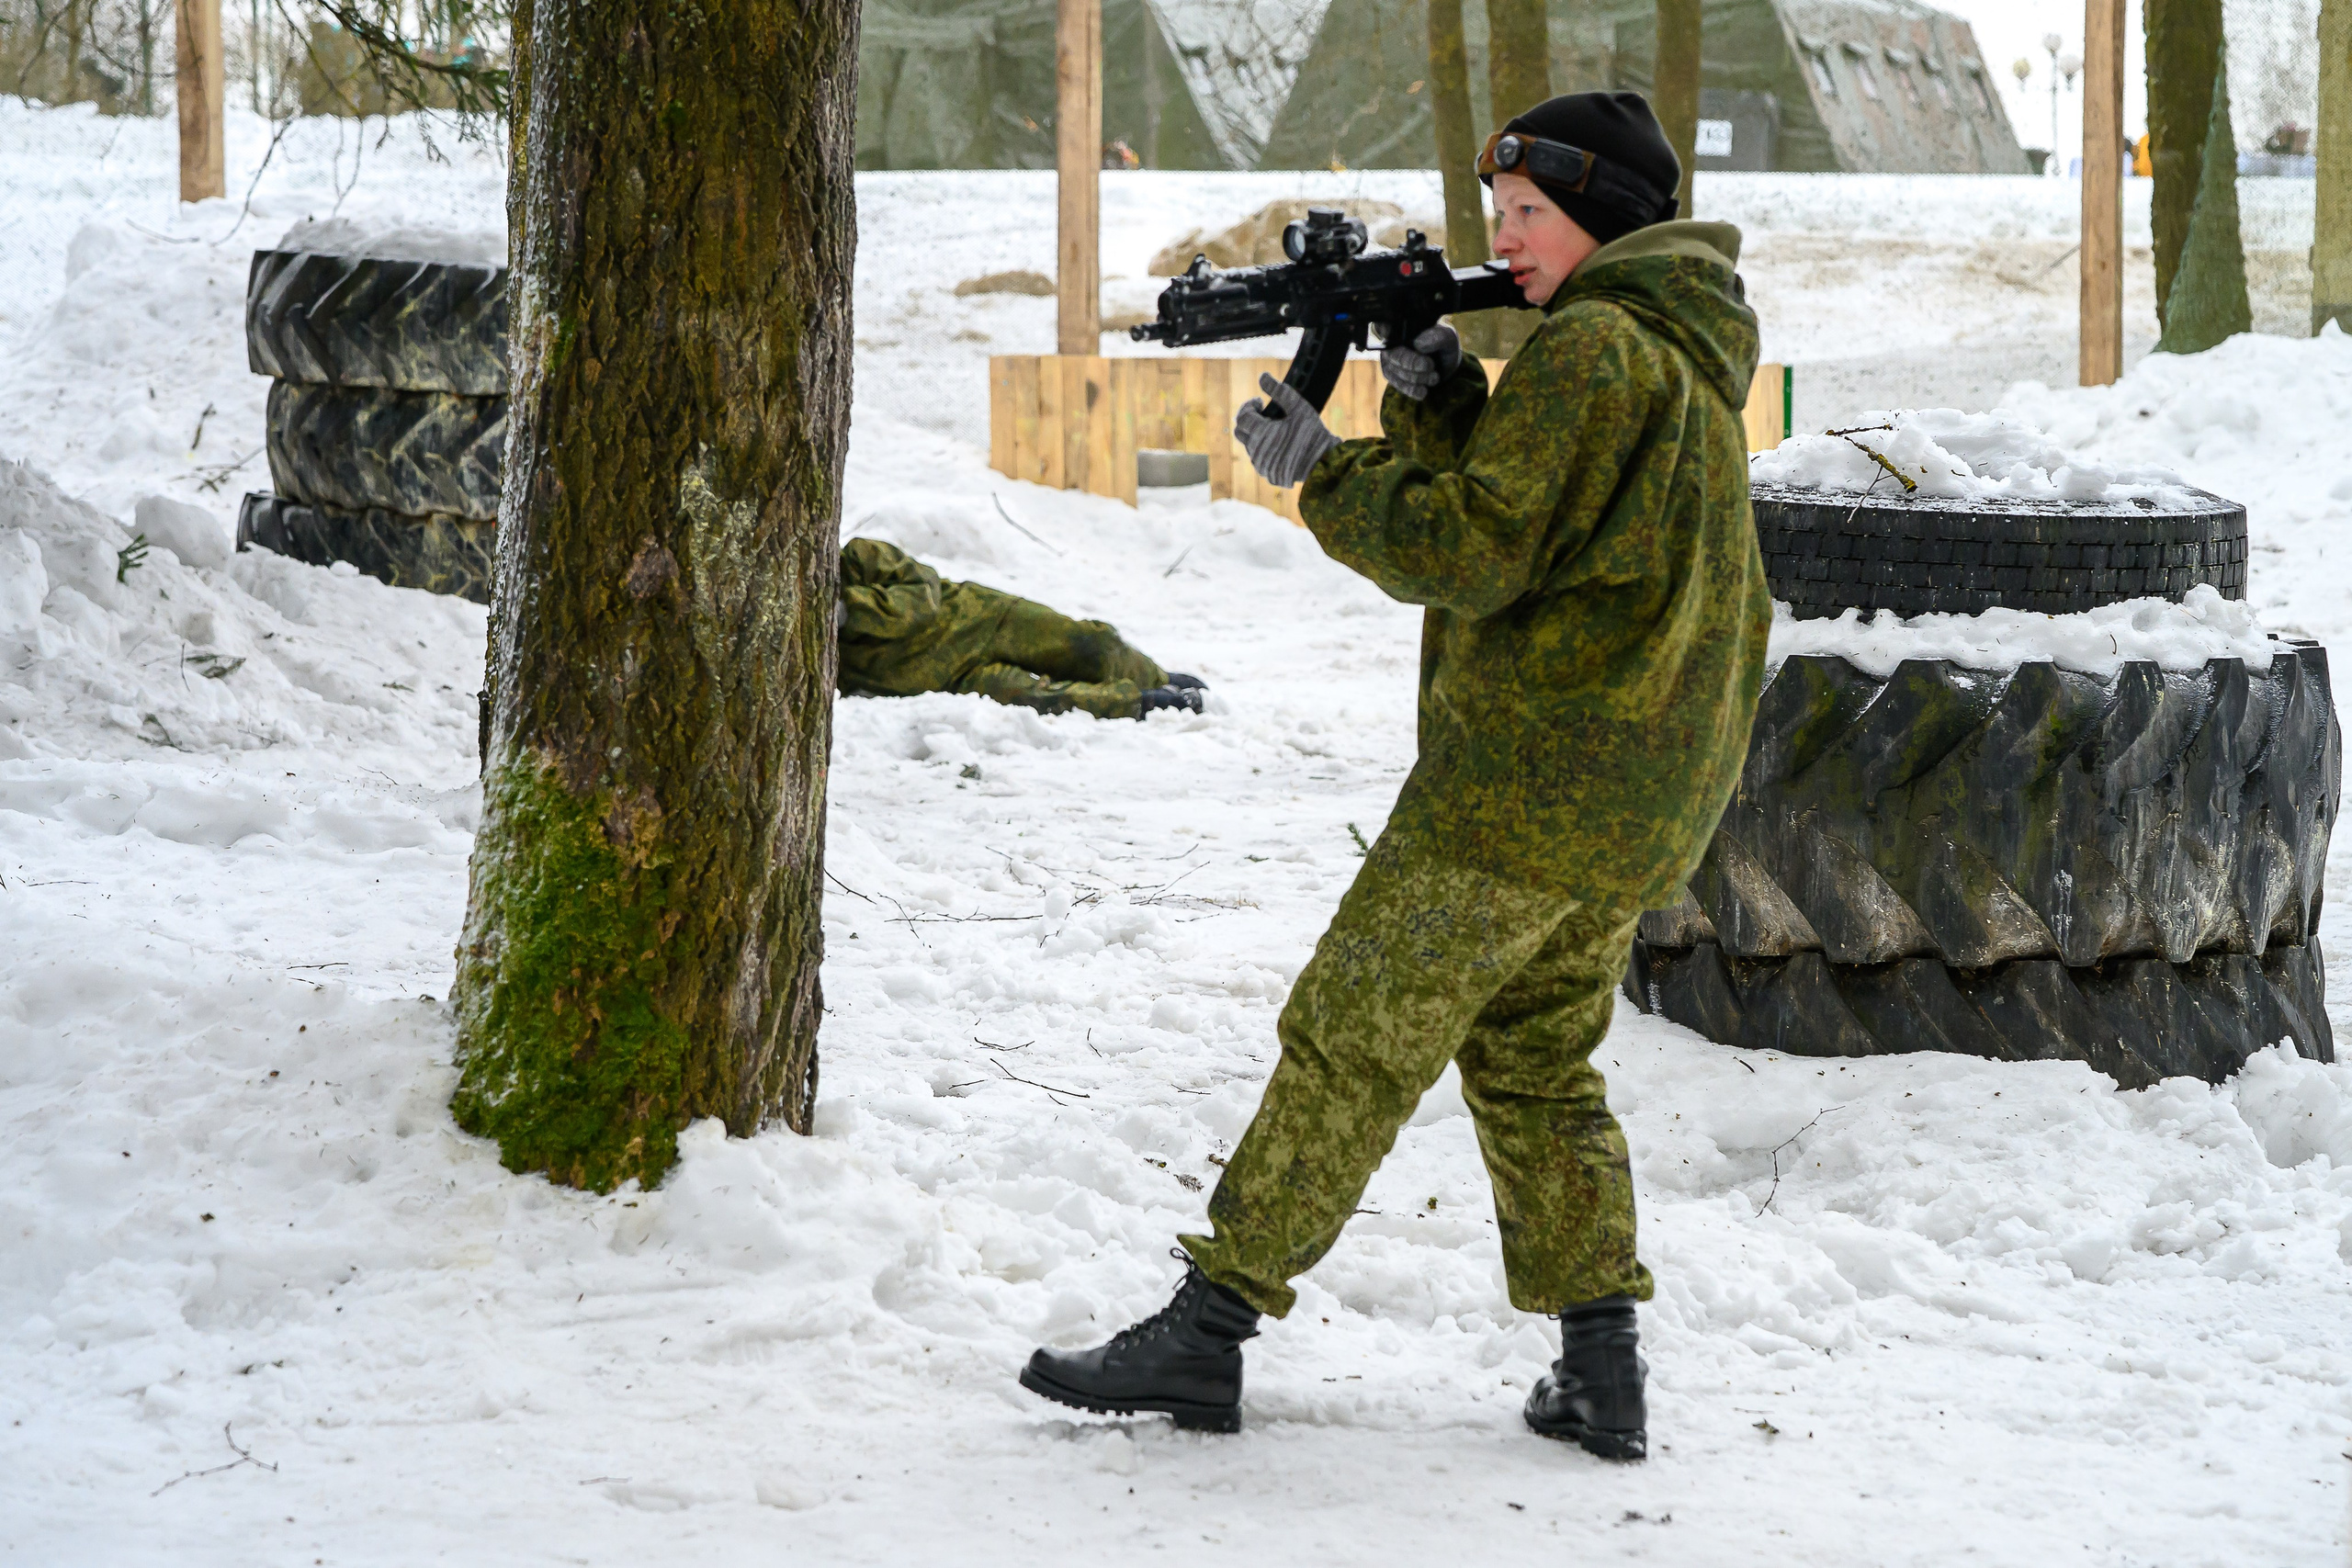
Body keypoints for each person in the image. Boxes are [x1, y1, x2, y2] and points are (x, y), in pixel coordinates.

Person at [1018, 91, 1770, 1459]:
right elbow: (1548, 522)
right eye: (1501, 213)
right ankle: (1603, 1364)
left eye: (1529, 213)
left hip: (1524, 789)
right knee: (1538, 1059)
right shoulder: (1675, 352)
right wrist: (1446, 396)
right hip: (1639, 798)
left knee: (1355, 1030)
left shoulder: (1596, 351)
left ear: (1599, 217)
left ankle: (1211, 1324)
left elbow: (1477, 553)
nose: (1507, 237)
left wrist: (1327, 475)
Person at [838, 536, 1204, 719]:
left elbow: (923, 599)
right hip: (955, 679)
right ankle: (1146, 703)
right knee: (1040, 698)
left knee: (1093, 644)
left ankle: (1154, 677)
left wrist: (846, 610)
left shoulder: (858, 557)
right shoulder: (823, 653)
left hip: (984, 619)